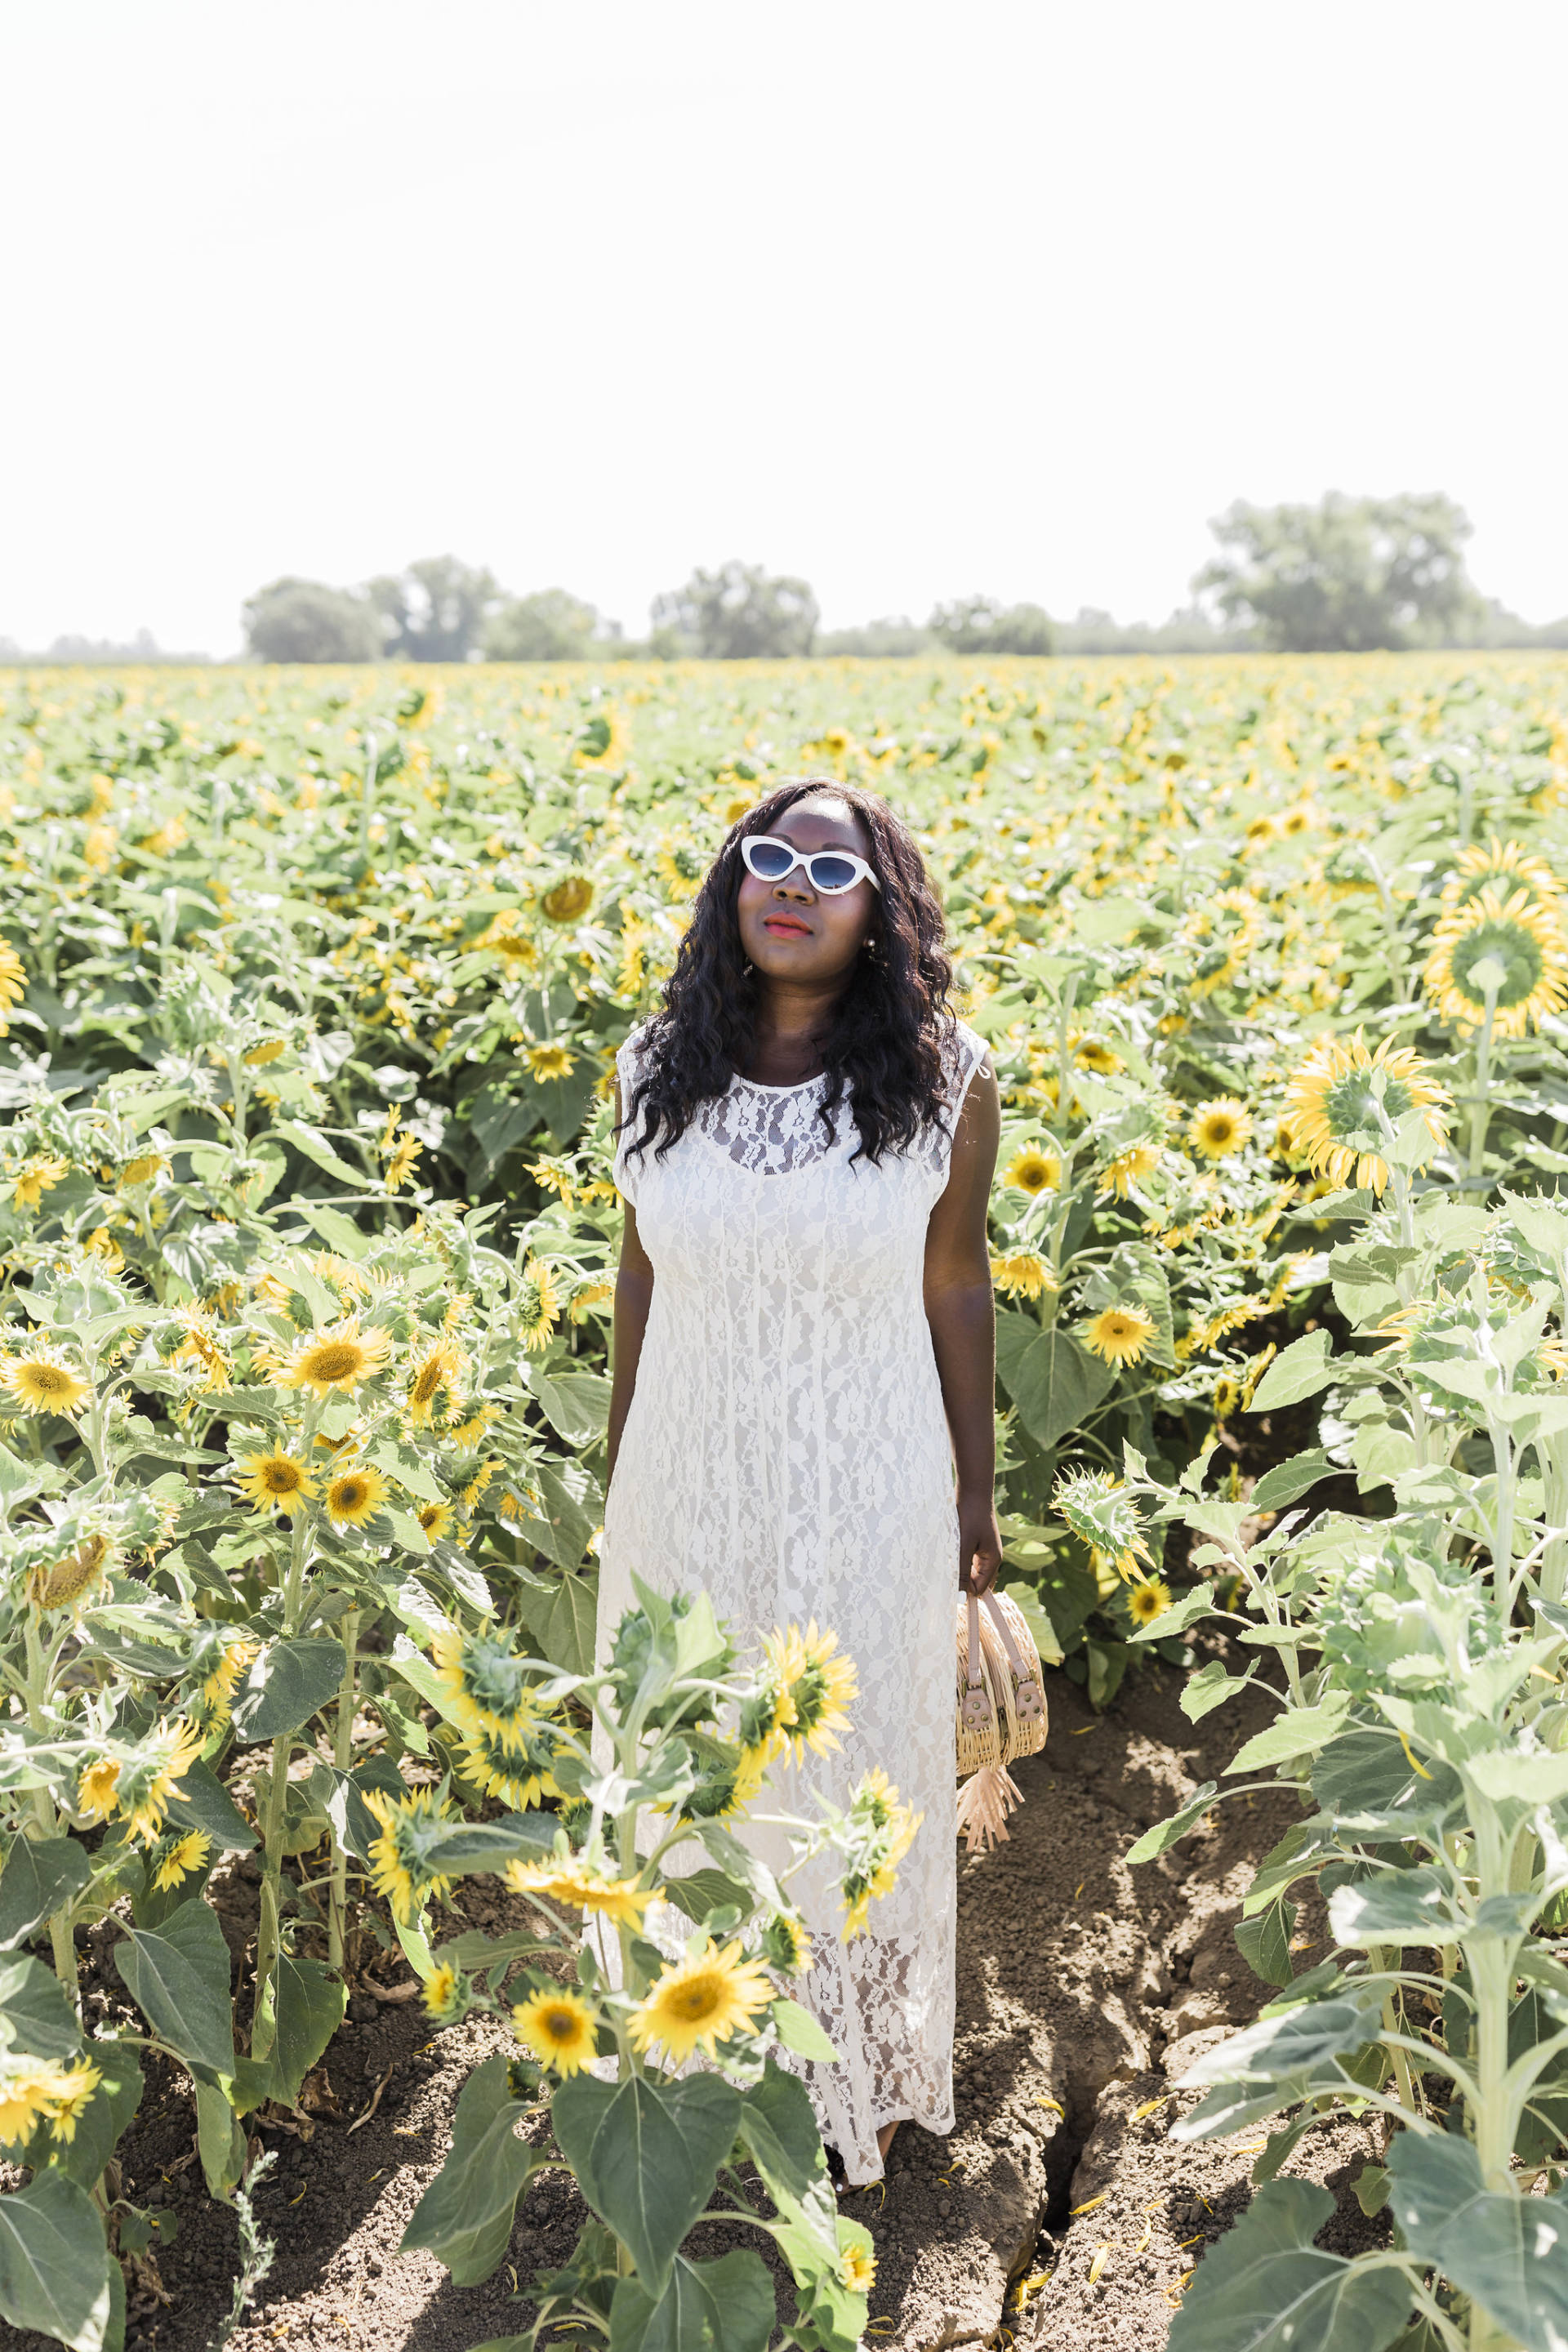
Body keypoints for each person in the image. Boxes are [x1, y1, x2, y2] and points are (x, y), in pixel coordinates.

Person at [599, 776, 1001, 2188]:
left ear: (880, 911)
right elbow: (642, 1268)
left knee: (850, 1763)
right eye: (765, 859)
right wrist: (619, 1461)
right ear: (730, 892)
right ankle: (692, 2057)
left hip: (865, 1477)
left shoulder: (945, 1079)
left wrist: (975, 1499)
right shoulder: (658, 1069)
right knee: (692, 1751)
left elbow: (957, 1285)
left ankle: (853, 2079)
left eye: (829, 869)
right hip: (686, 1479)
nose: (789, 883)